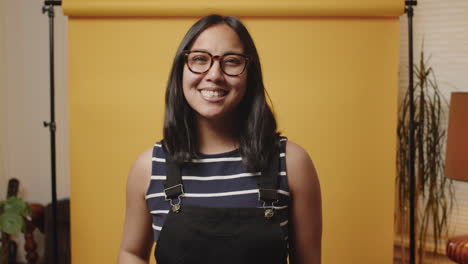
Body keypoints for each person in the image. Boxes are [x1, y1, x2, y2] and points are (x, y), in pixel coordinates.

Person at [118, 15, 322, 264]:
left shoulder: (291, 164)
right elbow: (131, 253)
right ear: (180, 70)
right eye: (200, 59)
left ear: (250, 74)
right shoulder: (149, 168)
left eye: (232, 61)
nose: (214, 74)